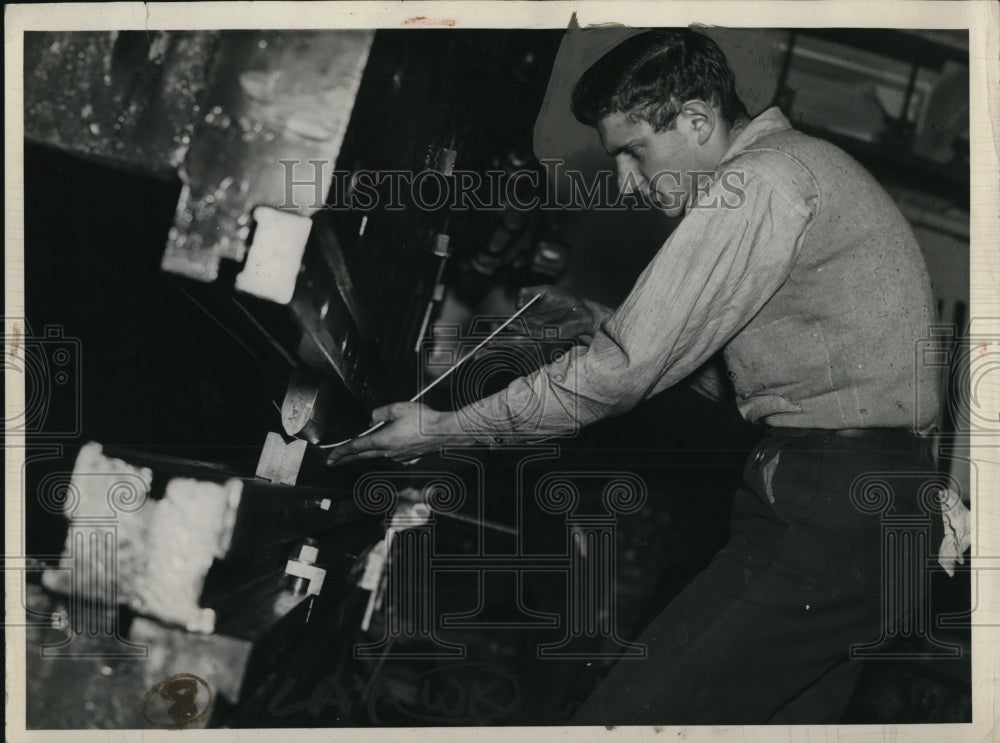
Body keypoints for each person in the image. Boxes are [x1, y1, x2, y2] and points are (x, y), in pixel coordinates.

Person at [326, 29, 943, 724]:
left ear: (698, 120)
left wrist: (441, 429)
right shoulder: (802, 168)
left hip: (826, 509)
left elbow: (623, 373)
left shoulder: (756, 183)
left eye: (634, 151)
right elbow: (750, 378)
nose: (625, 181)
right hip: (878, 512)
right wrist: (595, 321)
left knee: (625, 720)